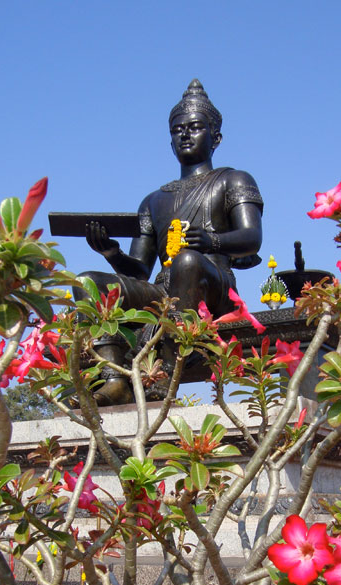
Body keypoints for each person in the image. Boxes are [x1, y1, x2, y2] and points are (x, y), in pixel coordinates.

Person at [76, 79, 263, 405]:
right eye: (177, 130)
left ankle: (165, 369)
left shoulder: (233, 180)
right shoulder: (154, 200)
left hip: (212, 284)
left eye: (195, 128)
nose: (185, 135)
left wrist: (211, 240)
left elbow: (252, 238)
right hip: (164, 289)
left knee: (187, 260)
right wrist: (111, 252)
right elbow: (138, 271)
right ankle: (113, 379)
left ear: (216, 137)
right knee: (88, 282)